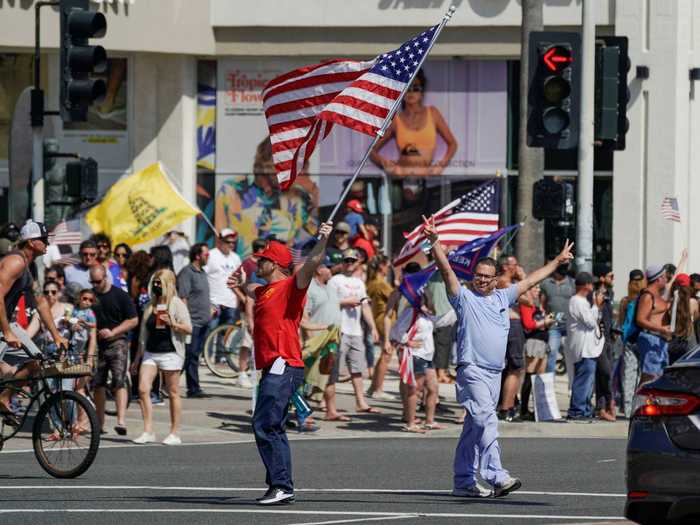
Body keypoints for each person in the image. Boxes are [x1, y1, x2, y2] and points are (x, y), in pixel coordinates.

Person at [423, 215, 573, 498]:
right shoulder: (463, 296)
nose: (480, 279)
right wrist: (435, 243)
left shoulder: (503, 297)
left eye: (486, 276)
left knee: (473, 427)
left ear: (495, 280)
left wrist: (557, 261)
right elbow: (446, 272)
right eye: (477, 275)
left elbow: (531, 280)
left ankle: (463, 481)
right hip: (472, 369)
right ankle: (496, 476)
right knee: (487, 420)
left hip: (494, 373)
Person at [227, 222, 333, 506]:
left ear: (274, 264)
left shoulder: (290, 287)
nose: (256, 261)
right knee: (269, 424)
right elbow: (252, 289)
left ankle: (282, 486)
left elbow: (311, 264)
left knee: (267, 424)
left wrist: (321, 240)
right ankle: (280, 485)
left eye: (262, 259)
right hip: (274, 367)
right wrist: (240, 286)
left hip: (283, 364)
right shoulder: (265, 290)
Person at [0, 220, 68, 426]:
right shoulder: (16, 262)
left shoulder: (29, 268)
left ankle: (4, 398)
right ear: (31, 242)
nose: (47, 243)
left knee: (36, 362)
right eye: (44, 239)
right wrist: (7, 332)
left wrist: (57, 336)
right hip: (3, 326)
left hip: (5, 325)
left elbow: (41, 302)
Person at [370, 68, 457, 205]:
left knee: (426, 209)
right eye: (408, 88)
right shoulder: (397, 119)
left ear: (422, 92)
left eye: (415, 88)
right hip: (403, 174)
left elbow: (452, 143)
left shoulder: (432, 113)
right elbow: (372, 150)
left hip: (426, 175)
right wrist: (386, 164)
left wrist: (441, 164)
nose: (411, 92)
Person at [132, 269, 192, 445]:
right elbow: (143, 334)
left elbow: (188, 328)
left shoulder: (177, 304)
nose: (157, 286)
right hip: (151, 352)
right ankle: (148, 430)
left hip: (171, 352)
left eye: (160, 283)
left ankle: (175, 432)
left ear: (169, 284)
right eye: (155, 282)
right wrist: (137, 359)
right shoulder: (150, 305)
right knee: (143, 389)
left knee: (173, 392)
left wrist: (172, 323)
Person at [328, 248, 381, 414]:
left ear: (357, 262)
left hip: (355, 330)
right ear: (342, 263)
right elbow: (328, 304)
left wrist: (373, 327)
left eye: (352, 260)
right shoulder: (335, 280)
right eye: (346, 260)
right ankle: (329, 405)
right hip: (339, 329)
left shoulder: (359, 283)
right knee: (333, 369)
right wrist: (345, 302)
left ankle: (361, 402)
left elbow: (364, 305)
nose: (349, 263)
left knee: (357, 369)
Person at [90, 264, 139, 435]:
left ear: (105, 278)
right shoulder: (90, 296)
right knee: (98, 383)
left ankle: (121, 421)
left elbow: (133, 320)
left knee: (118, 379)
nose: (94, 285)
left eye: (97, 281)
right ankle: (100, 423)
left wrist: (113, 331)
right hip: (96, 343)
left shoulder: (120, 296)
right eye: (92, 282)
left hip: (117, 341)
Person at [302, 256, 346, 422]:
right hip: (316, 339)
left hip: (332, 340)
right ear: (319, 269)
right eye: (328, 267)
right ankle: (304, 412)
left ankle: (331, 411)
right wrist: (309, 338)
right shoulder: (309, 289)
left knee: (330, 375)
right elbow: (305, 314)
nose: (331, 270)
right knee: (308, 378)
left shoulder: (331, 288)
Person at [205, 229, 245, 385]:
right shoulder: (212, 255)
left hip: (230, 301)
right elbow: (204, 274)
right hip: (214, 300)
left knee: (225, 332)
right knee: (211, 329)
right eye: (228, 242)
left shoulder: (235, 257)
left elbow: (240, 277)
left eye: (233, 243)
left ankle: (220, 357)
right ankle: (206, 355)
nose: (231, 245)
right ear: (220, 241)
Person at [566, 272, 605, 421]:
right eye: (591, 283)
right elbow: (590, 322)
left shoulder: (581, 301)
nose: (593, 286)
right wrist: (596, 306)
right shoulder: (577, 301)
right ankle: (576, 411)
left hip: (588, 348)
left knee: (588, 381)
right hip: (583, 349)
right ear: (586, 285)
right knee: (583, 380)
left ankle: (585, 409)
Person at [177, 242, 211, 398]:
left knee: (193, 356)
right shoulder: (187, 273)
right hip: (193, 322)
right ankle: (193, 388)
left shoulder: (202, 272)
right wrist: (186, 321)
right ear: (197, 256)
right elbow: (183, 297)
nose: (208, 256)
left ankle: (172, 383)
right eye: (206, 254)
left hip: (203, 322)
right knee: (190, 356)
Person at [496, 254, 525, 422]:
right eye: (514, 265)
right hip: (512, 324)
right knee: (515, 368)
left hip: (506, 325)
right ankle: (506, 408)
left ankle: (504, 404)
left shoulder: (503, 283)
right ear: (506, 266)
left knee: (507, 368)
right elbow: (529, 300)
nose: (517, 268)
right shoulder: (505, 283)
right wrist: (523, 278)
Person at [518, 284, 553, 420]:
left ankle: (539, 409)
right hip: (533, 342)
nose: (538, 291)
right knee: (530, 375)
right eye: (535, 288)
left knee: (540, 376)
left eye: (539, 289)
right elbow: (528, 324)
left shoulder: (536, 306)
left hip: (543, 343)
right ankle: (524, 409)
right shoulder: (526, 304)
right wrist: (544, 321)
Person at [365, 255, 396, 400]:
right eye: (388, 265)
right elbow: (396, 297)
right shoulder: (380, 284)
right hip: (384, 320)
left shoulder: (372, 282)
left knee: (384, 355)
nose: (389, 268)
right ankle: (378, 388)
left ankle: (373, 387)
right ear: (382, 266)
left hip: (379, 319)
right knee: (386, 355)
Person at [635, 265, 672, 385]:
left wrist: (683, 260)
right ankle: (640, 402)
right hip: (650, 339)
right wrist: (661, 328)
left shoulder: (658, 295)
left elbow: (672, 283)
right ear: (658, 279)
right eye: (665, 277)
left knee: (658, 378)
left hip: (660, 341)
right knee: (649, 378)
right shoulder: (647, 296)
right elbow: (640, 319)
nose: (667, 279)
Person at [617, 269, 646, 418]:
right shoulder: (645, 298)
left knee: (628, 375)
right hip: (643, 339)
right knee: (643, 376)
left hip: (628, 341)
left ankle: (628, 410)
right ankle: (639, 407)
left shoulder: (625, 301)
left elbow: (621, 323)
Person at [540, 262, 576, 375]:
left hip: (570, 325)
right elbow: (543, 302)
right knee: (551, 353)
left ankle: (572, 385)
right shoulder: (546, 283)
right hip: (553, 325)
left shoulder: (572, 283)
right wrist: (545, 316)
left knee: (572, 356)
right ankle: (549, 385)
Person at [593, 281, 616, 422]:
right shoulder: (592, 305)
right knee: (605, 373)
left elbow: (608, 323)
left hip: (607, 342)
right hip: (597, 343)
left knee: (604, 375)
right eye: (602, 293)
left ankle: (602, 407)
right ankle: (609, 403)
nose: (605, 296)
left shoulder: (607, 303)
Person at [667, 273, 698, 364]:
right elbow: (696, 319)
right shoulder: (693, 302)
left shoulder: (670, 302)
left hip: (673, 341)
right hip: (689, 341)